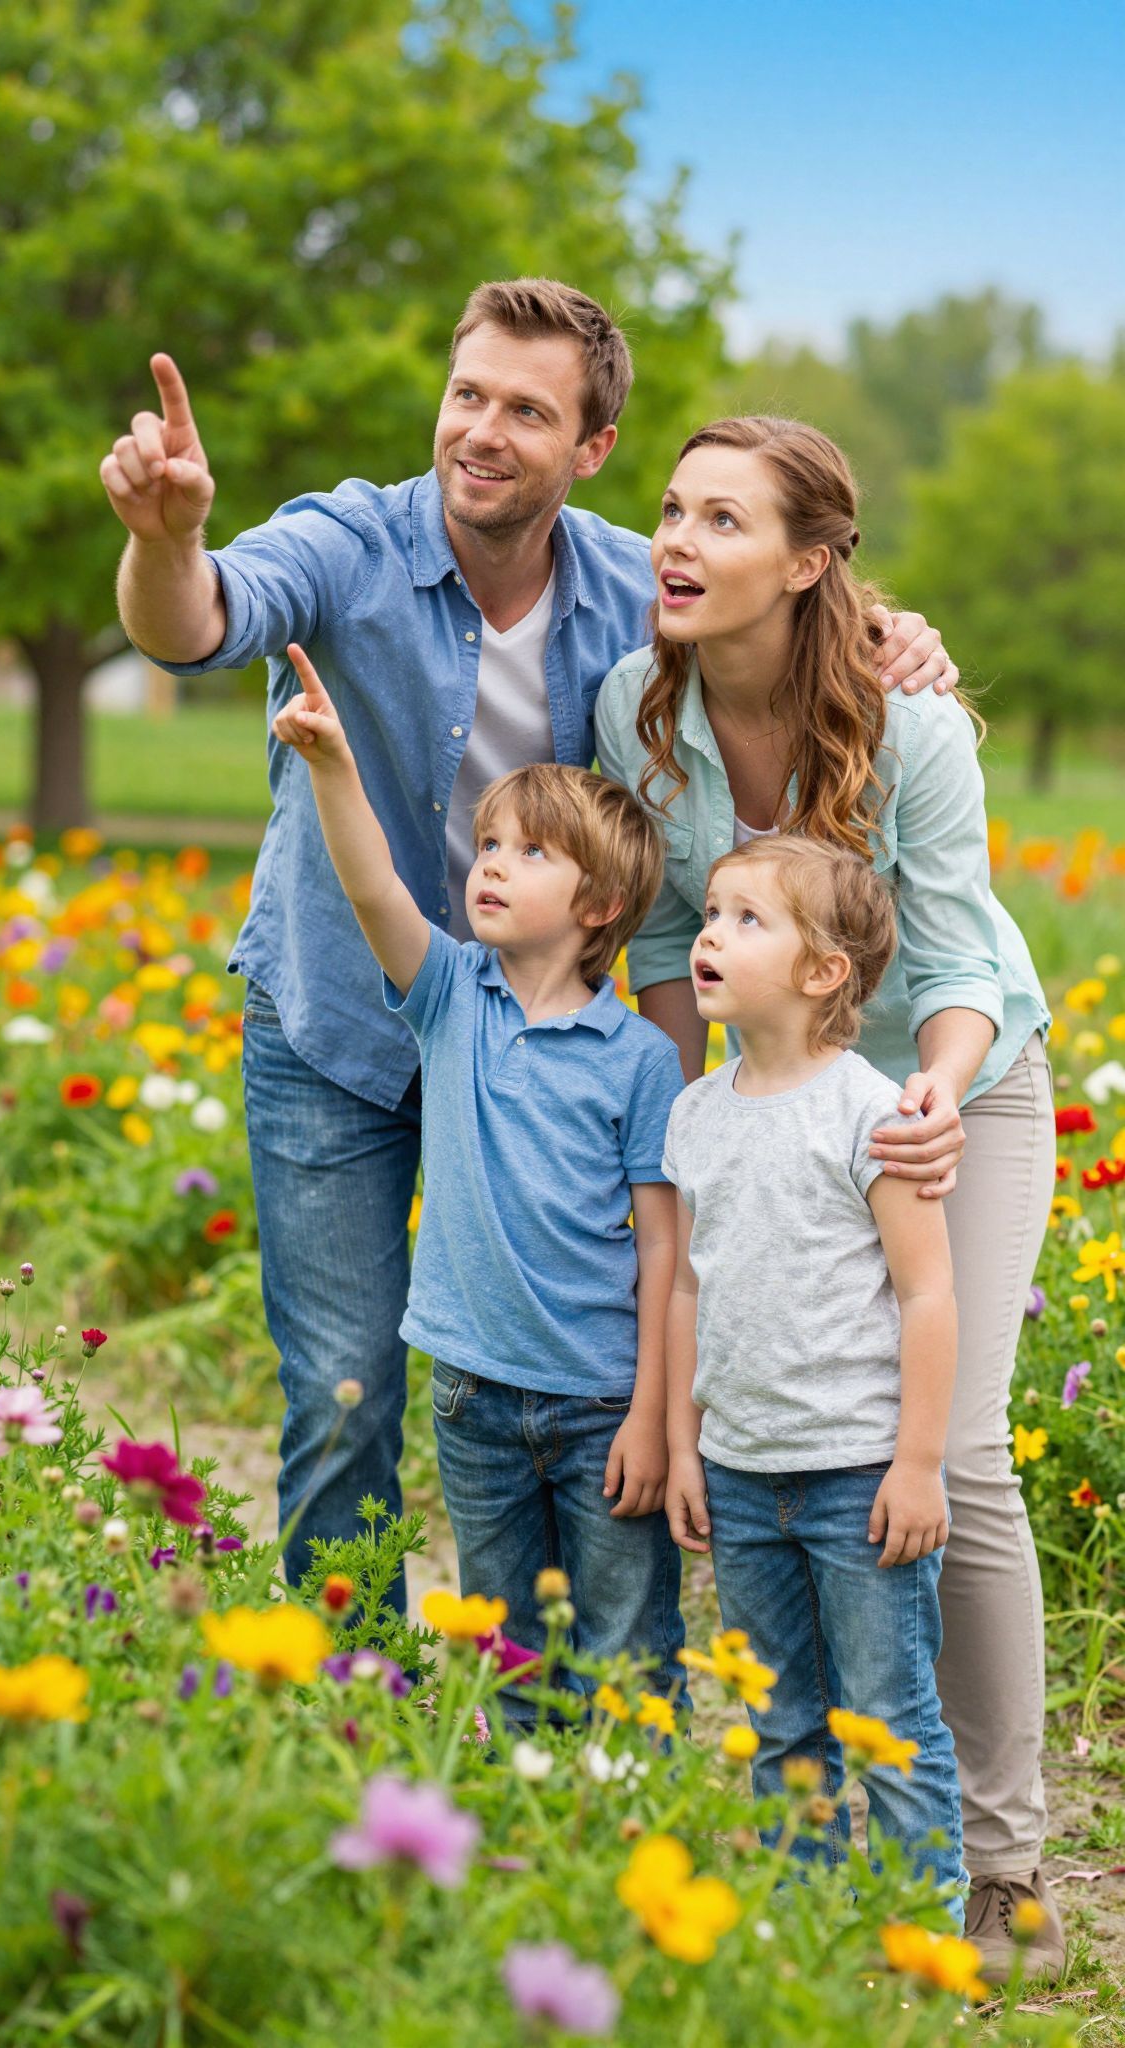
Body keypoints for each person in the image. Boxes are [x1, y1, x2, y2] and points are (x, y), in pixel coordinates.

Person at [100, 279, 954, 1599]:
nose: (482, 431)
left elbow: (790, 622)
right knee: (343, 1387)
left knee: (578, 1363)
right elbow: (198, 620)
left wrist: (898, 641)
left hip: (548, 1053)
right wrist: (165, 541)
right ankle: (351, 1703)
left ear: (591, 448)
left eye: (526, 411)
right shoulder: (346, 543)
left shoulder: (633, 587)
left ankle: (575, 1679)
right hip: (337, 1018)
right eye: (467, 395)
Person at [594, 415, 1059, 1979]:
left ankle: (1000, 1865)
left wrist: (933, 1089)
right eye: (669, 508)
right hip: (756, 1101)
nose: (676, 538)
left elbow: (967, 947)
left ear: (805, 564)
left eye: (721, 520)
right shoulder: (634, 712)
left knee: (967, 1449)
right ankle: (819, 1854)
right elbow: (664, 951)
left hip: (950, 1090)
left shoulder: (907, 718)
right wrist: (687, 1133)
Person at [269, 642, 689, 1720]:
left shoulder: (638, 1058)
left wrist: (654, 1414)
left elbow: (662, 1251)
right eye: (488, 843)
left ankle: (636, 1841)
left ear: (598, 902)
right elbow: (373, 886)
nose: (488, 864)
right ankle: (524, 1834)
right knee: (508, 1653)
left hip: (603, 1403)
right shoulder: (452, 994)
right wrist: (331, 767)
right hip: (472, 1392)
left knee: (627, 1652)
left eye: (528, 852)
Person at [664, 834, 966, 1924]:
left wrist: (920, 1462)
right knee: (778, 1716)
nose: (709, 934)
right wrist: (688, 1444)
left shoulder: (872, 1113)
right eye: (709, 912)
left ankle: (918, 1929)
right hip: (743, 1474)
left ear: (823, 970)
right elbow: (691, 1290)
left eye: (748, 919)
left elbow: (928, 1293)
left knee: (887, 1712)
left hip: (856, 1474)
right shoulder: (696, 1111)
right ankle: (803, 1927)